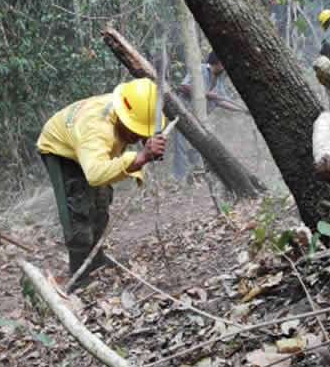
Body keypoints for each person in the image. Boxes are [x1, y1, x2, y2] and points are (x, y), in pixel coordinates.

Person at [36, 78, 167, 291]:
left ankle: (96, 258)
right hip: (60, 150)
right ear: (125, 121)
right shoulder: (96, 128)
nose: (138, 137)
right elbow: (95, 175)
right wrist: (141, 157)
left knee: (101, 200)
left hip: (88, 150)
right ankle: (79, 276)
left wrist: (147, 140)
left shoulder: (127, 108)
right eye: (137, 132)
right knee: (77, 207)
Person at [173, 52, 244, 180]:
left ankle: (194, 177)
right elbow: (183, 86)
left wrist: (242, 110)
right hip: (184, 113)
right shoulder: (200, 69)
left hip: (199, 119)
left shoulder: (219, 77)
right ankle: (180, 179)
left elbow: (221, 100)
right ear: (219, 63)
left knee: (197, 147)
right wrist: (206, 94)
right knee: (181, 147)